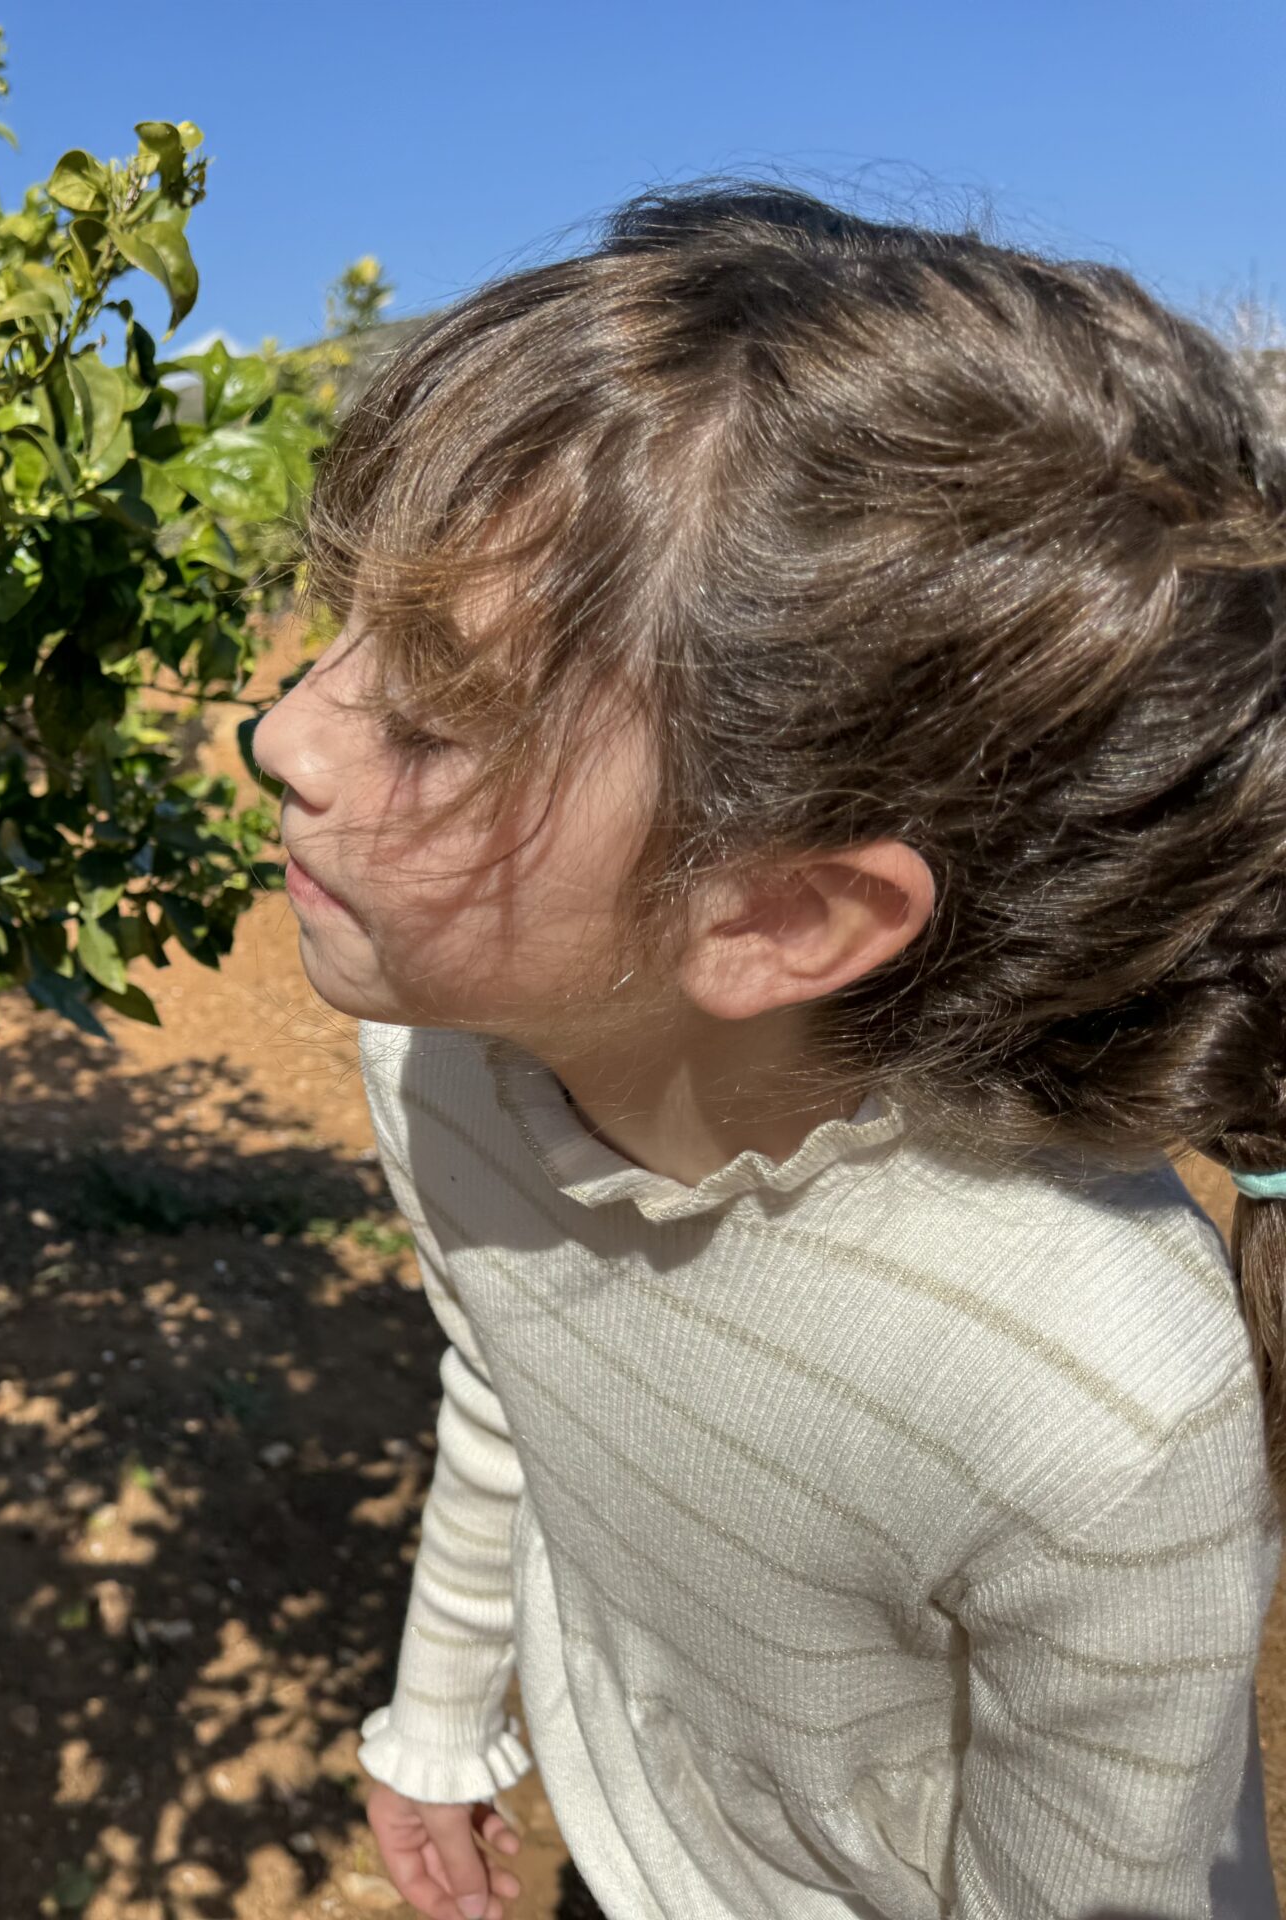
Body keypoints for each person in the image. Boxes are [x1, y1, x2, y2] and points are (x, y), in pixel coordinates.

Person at [249, 180, 1286, 1919]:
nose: (285, 730)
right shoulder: (454, 1063)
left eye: (427, 718)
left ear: (778, 921)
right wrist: (440, 1718)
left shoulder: (1093, 1411)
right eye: (341, 621)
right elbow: (509, 1366)